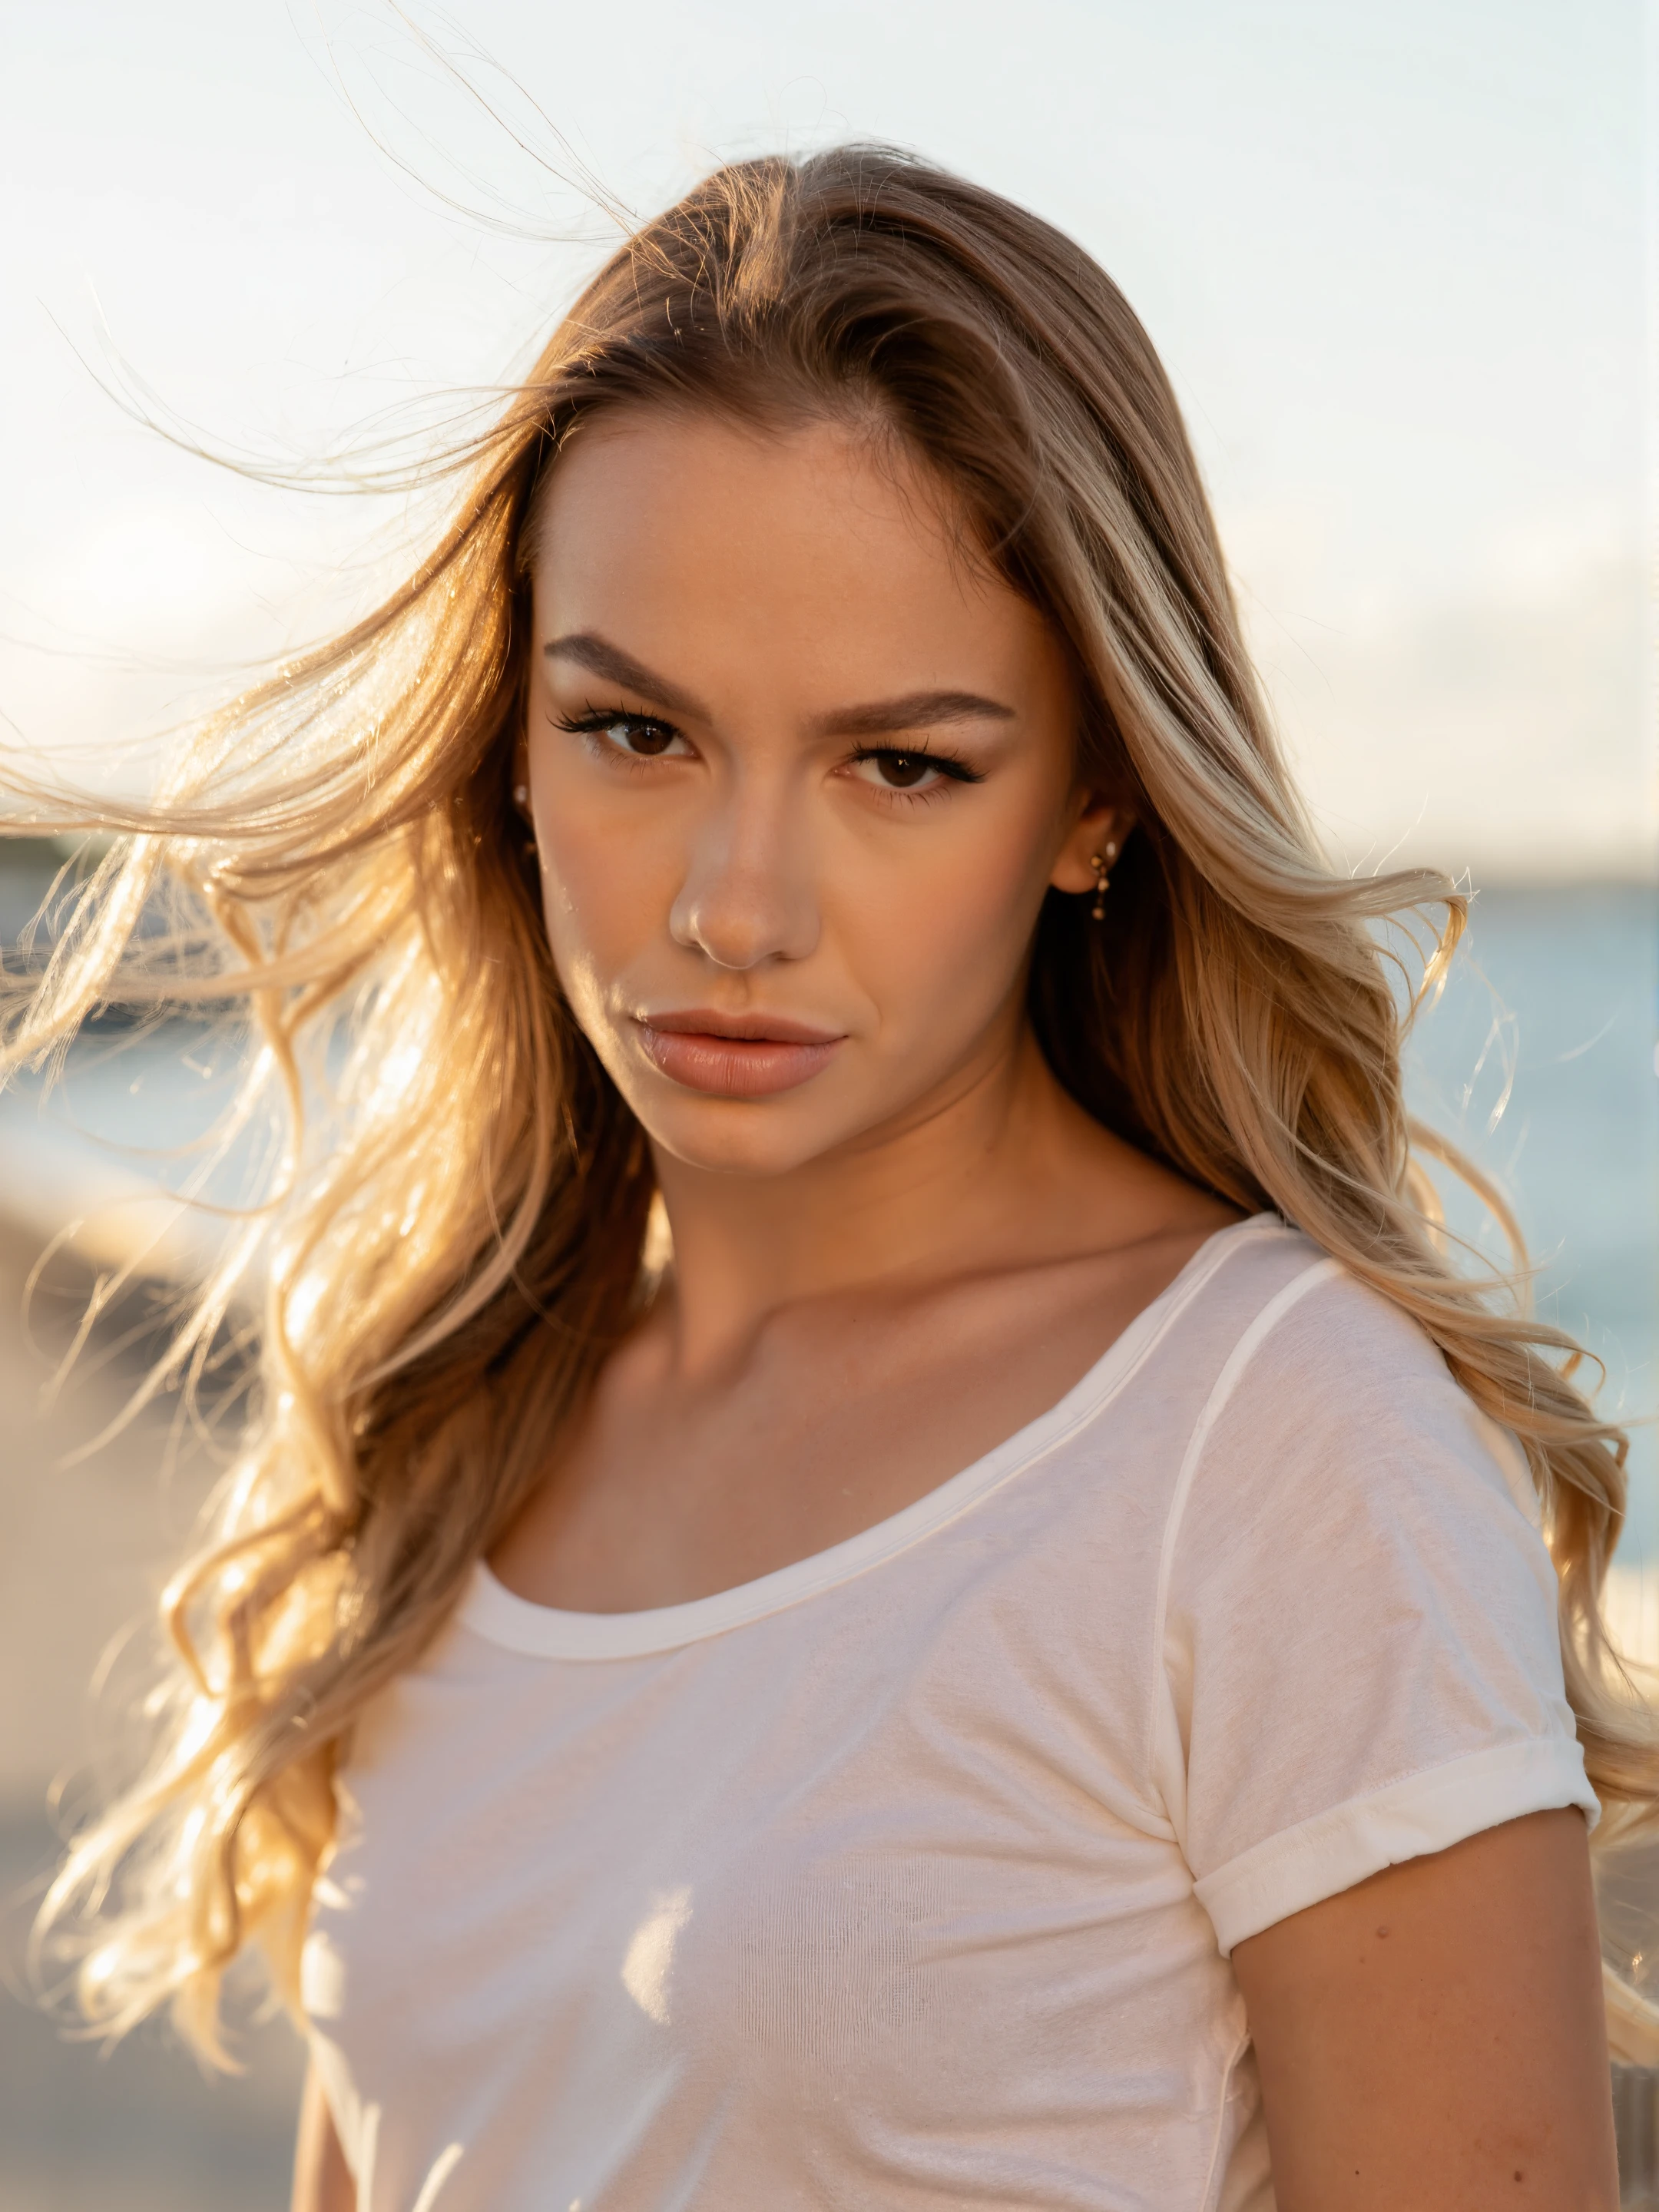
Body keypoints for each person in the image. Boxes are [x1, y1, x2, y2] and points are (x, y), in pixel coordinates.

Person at [8, 147, 1650, 2211]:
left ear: (1099, 802)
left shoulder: (1276, 1452)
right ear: (512, 739)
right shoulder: (472, 1413)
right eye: (637, 733)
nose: (736, 906)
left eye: (903, 765)